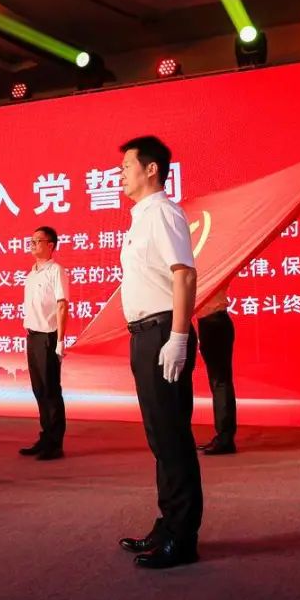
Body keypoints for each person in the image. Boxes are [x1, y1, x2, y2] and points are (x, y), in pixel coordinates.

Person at [115, 135, 202, 569]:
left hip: (163, 332)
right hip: (144, 335)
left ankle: (182, 539)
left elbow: (184, 275)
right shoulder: (141, 218)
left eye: (126, 166)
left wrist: (179, 337)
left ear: (151, 169)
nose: (120, 175)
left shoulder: (163, 213)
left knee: (172, 437)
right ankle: (168, 525)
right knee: (160, 438)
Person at [18, 226, 70, 460]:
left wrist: (60, 340)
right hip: (32, 336)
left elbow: (62, 305)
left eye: (38, 241)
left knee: (51, 390)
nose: (32, 244)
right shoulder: (31, 275)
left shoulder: (56, 271)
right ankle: (45, 436)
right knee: (39, 389)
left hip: (48, 337)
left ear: (51, 245)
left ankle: (55, 444)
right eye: (31, 240)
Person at [196, 285, 237, 455]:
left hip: (214, 322)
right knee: (218, 381)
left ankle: (225, 438)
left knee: (220, 381)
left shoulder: (207, 272)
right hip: (210, 322)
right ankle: (223, 436)